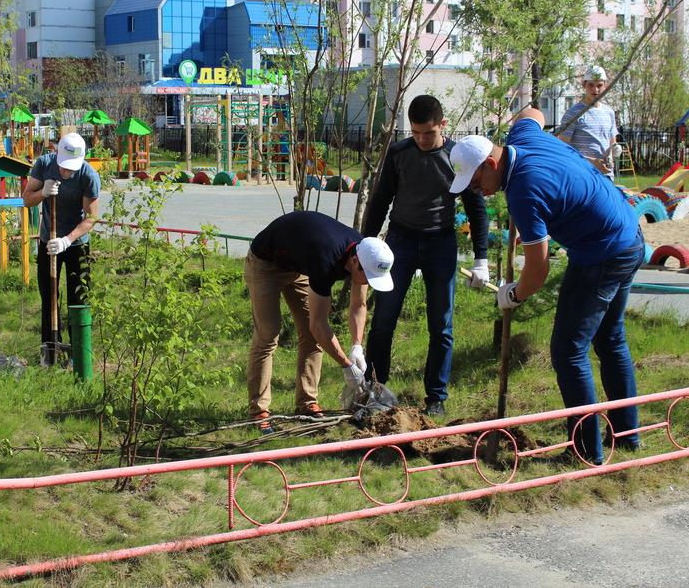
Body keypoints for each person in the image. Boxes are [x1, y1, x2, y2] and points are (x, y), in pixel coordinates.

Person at [448, 106, 644, 466]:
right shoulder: (522, 137)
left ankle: (586, 453)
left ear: (491, 165)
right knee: (610, 338)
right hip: (629, 235)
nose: (479, 193)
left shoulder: (523, 190)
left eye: (476, 184)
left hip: (601, 253)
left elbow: (537, 269)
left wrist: (514, 295)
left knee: (568, 352)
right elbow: (533, 112)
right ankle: (627, 436)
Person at [361, 95, 490, 417]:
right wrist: (364, 244)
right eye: (415, 133)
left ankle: (436, 397)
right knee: (383, 321)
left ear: (442, 125)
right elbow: (380, 201)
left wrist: (481, 259)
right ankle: (376, 390)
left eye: (428, 133)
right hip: (400, 242)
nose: (420, 139)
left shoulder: (455, 156)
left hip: (440, 245)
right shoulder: (399, 153)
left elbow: (476, 208)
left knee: (441, 325)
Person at [245, 210, 395, 433]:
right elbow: (319, 324)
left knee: (311, 339)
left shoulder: (365, 253)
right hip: (266, 263)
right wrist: (347, 366)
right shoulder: (326, 260)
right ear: (354, 262)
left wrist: (356, 348)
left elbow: (358, 306)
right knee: (268, 336)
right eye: (369, 277)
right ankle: (259, 412)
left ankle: (307, 406)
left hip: (300, 263)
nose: (369, 282)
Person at [23, 132, 101, 366]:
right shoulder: (44, 165)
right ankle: (49, 351)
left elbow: (91, 219)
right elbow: (27, 199)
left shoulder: (88, 175)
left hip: (76, 244)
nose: (67, 173)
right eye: (64, 168)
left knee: (79, 300)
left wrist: (67, 240)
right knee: (49, 298)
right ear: (57, 155)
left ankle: (78, 353)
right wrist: (42, 192)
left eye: (72, 169)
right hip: (48, 242)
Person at [557, 65, 619, 178]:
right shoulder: (574, 113)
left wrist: (614, 149)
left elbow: (612, 142)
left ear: (605, 86)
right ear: (583, 85)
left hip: (606, 174)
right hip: (582, 175)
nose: (595, 90)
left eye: (599, 85)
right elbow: (562, 148)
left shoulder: (609, 112)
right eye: (591, 85)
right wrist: (591, 161)